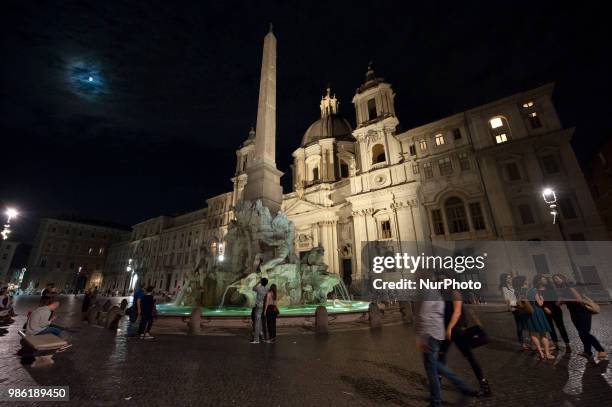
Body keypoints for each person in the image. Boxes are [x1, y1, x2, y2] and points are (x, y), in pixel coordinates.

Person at [415, 286, 479, 407]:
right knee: (437, 365)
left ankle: (436, 402)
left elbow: (424, 316)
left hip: (432, 335)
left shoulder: (432, 293)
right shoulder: (439, 293)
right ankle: (464, 388)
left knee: (432, 368)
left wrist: (421, 337)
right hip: (438, 333)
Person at [439, 282, 491, 396]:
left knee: (470, 357)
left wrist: (449, 328)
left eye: (444, 280)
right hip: (447, 330)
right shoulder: (443, 294)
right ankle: (437, 381)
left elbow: (457, 312)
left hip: (457, 330)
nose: (441, 283)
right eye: (439, 281)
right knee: (440, 355)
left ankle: (484, 384)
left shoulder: (455, 293)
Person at [553, 274, 607, 360]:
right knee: (581, 333)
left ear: (562, 278)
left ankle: (601, 350)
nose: (555, 280)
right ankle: (587, 352)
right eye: (554, 279)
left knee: (584, 333)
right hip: (573, 313)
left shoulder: (570, 287)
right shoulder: (561, 290)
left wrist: (565, 300)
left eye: (557, 278)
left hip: (582, 311)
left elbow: (579, 299)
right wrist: (560, 303)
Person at [514, 276, 554, 360]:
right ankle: (547, 353)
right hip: (537, 312)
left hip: (527, 313)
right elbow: (539, 304)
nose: (528, 281)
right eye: (527, 279)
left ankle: (540, 353)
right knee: (543, 334)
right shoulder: (533, 290)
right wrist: (542, 300)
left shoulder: (518, 291)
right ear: (524, 281)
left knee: (533, 333)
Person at [535, 274, 571, 353]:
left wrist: (551, 308)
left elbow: (555, 298)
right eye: (543, 278)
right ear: (539, 280)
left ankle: (567, 344)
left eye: (545, 279)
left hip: (555, 309)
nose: (545, 280)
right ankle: (555, 345)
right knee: (551, 328)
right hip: (545, 311)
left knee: (560, 326)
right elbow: (538, 302)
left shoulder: (550, 288)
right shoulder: (536, 290)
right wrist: (544, 308)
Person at [499, 273, 527, 350]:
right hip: (516, 308)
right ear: (504, 280)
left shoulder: (515, 286)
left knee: (526, 324)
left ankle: (529, 340)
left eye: (510, 277)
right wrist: (518, 304)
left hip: (522, 307)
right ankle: (522, 343)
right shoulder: (504, 288)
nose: (510, 279)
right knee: (519, 326)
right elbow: (507, 301)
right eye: (508, 278)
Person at [250, 277, 268, 344]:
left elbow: (253, 288)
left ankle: (256, 339)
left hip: (258, 307)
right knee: (262, 322)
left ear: (261, 282)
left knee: (257, 322)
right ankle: (263, 336)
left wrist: (258, 282)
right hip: (264, 307)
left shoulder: (258, 288)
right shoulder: (267, 289)